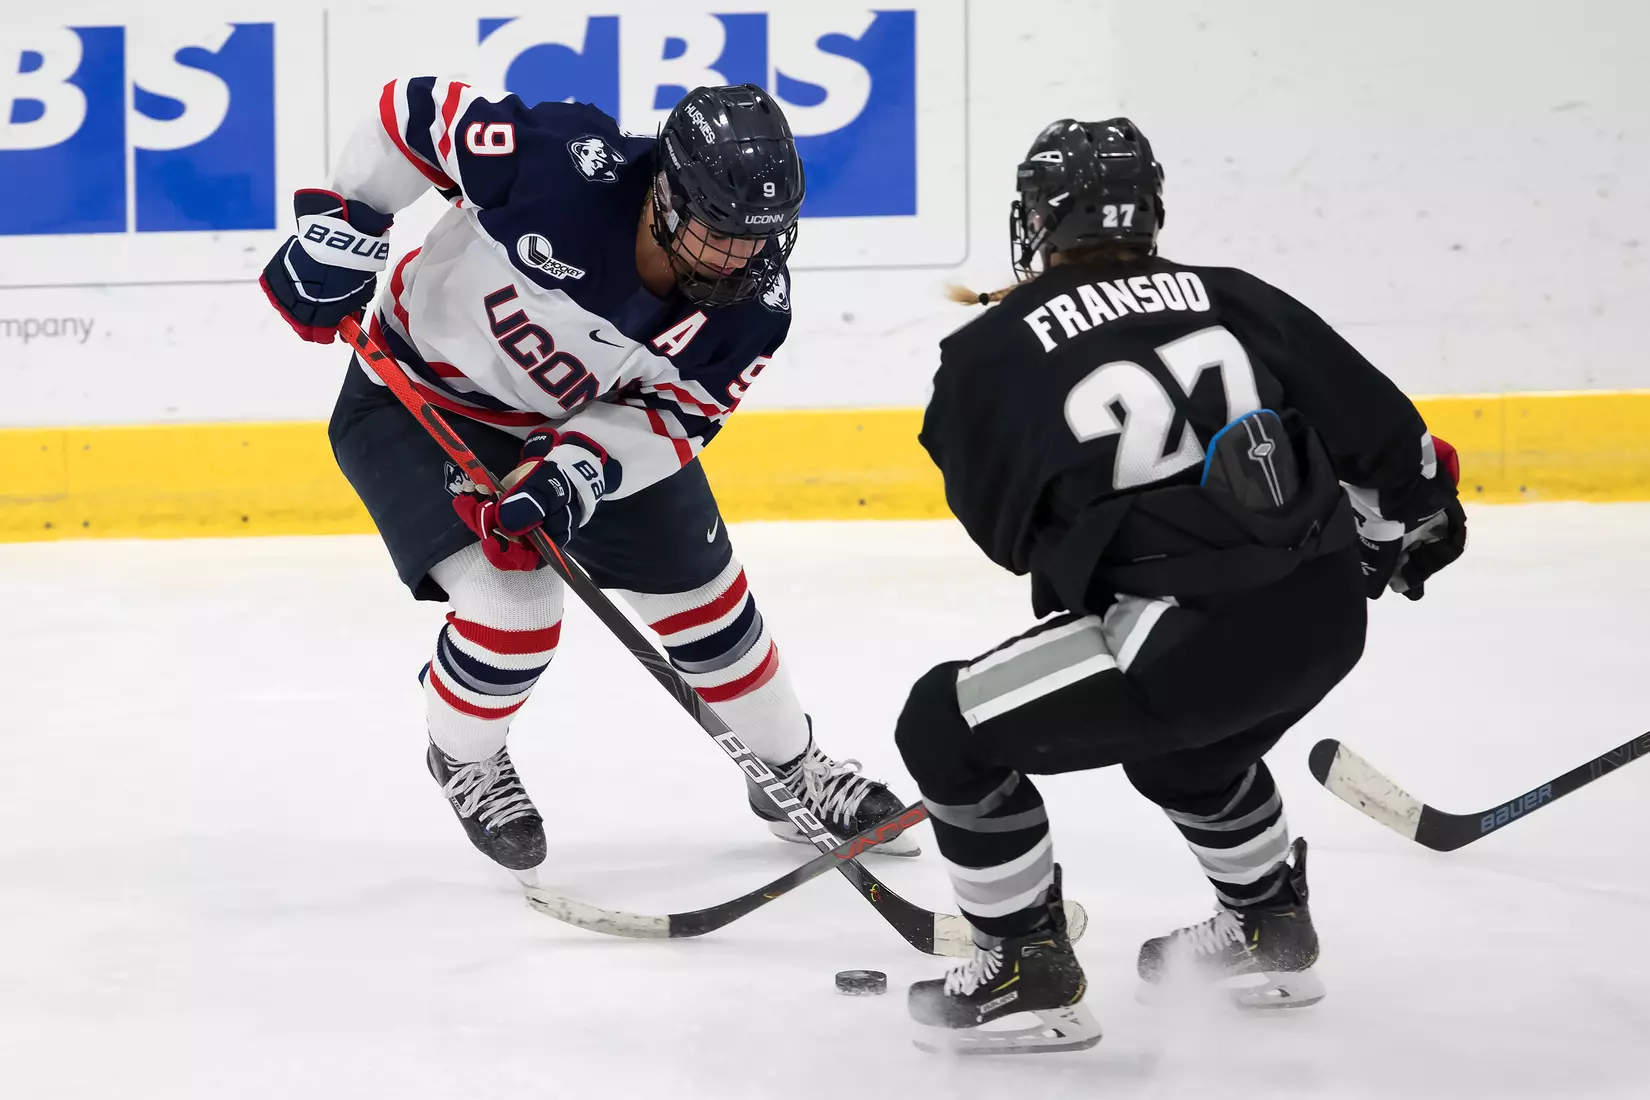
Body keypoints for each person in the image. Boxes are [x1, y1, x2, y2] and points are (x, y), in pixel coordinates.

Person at [895, 118, 1466, 1054]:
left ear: (1034, 218)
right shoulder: (1235, 296)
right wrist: (1410, 522)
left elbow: (1008, 534)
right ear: (1150, 208)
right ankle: (1267, 927)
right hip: (1326, 620)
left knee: (943, 725)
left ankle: (1021, 967)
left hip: (1186, 640)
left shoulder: (990, 351)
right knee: (1188, 755)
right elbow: (1395, 445)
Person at [258, 79, 917, 877]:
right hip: (419, 400)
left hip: (585, 430)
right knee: (516, 610)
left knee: (717, 615)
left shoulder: (753, 307)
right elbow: (408, 112)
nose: (744, 258)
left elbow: (676, 418)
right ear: (666, 199)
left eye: (762, 236)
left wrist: (577, 471)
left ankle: (791, 772)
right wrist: (345, 227)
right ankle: (464, 758)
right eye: (721, 233)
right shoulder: (561, 170)